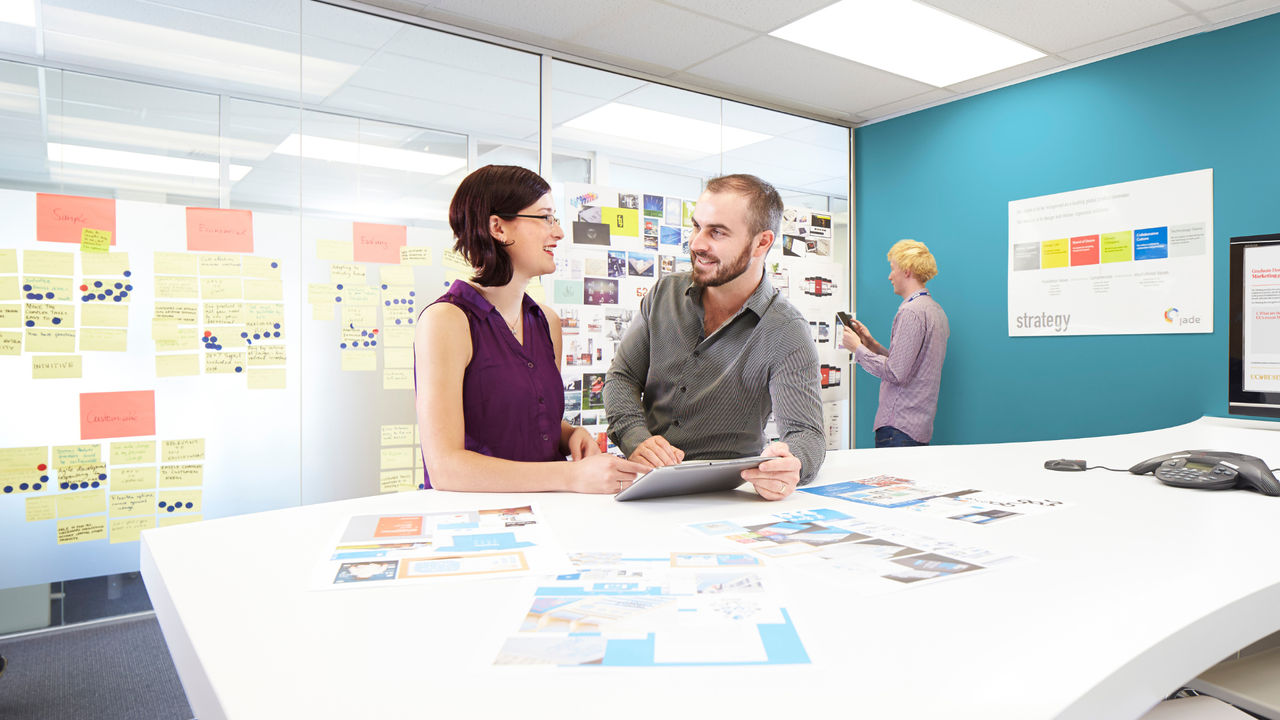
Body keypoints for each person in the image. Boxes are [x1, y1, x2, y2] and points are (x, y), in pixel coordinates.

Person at [415, 165, 647, 492]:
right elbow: (445, 469)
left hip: (544, 513)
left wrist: (569, 435)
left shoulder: (546, 322)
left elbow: (524, 418)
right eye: (546, 218)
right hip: (474, 519)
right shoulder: (447, 320)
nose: (558, 232)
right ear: (498, 228)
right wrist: (571, 476)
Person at [603, 174, 825, 501]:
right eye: (696, 227)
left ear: (762, 242)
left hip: (725, 496)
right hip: (644, 484)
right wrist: (637, 439)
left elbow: (806, 434)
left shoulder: (785, 329)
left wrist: (791, 464)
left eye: (717, 232)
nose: (696, 244)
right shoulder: (664, 294)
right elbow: (621, 378)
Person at [842, 239, 949, 448]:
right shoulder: (935, 310)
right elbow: (909, 364)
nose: (890, 276)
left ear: (907, 270)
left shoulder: (910, 312)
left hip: (898, 428)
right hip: (918, 427)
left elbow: (895, 373)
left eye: (893, 269)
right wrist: (871, 344)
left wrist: (857, 349)